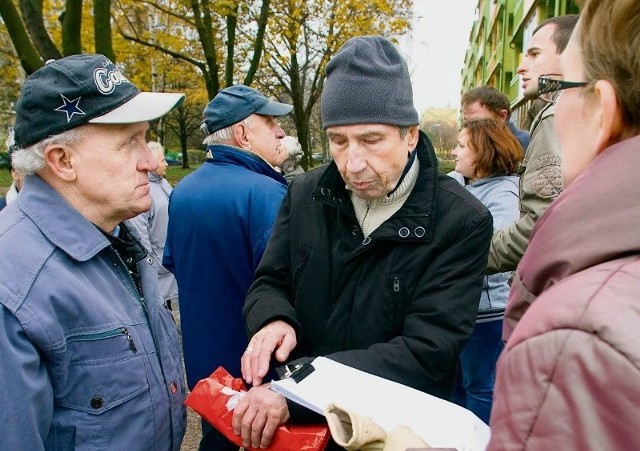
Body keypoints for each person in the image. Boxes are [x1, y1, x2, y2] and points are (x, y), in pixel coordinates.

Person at [232, 35, 493, 450]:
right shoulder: (305, 194)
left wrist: (299, 390)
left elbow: (427, 351)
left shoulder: (462, 221)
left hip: (391, 433)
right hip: (301, 434)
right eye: (338, 141)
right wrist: (272, 319)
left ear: (410, 135)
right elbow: (269, 281)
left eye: (371, 140)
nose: (352, 163)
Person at [0, 54, 186, 449]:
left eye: (145, 138)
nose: (152, 162)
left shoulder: (118, 236)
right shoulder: (13, 285)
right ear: (63, 161)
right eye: (130, 143)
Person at [489, 1, 640, 447]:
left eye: (561, 86)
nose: (523, 67)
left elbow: (535, 220)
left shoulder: (576, 339)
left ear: (601, 110)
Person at [163, 84, 292, 450]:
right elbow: (287, 285)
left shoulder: (183, 190)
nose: (280, 131)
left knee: (216, 437)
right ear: (243, 134)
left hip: (207, 362)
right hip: (257, 366)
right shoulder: (267, 193)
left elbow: (174, 262)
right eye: (270, 123)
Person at [486, 15, 578, 276]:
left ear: (570, 56)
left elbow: (544, 223)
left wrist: (471, 254)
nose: (521, 67)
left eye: (534, 54)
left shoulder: (556, 117)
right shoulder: (557, 111)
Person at [448, 118, 523, 424]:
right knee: (457, 384)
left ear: (482, 153)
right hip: (460, 307)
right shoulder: (463, 184)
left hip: (486, 312)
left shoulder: (503, 195)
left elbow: (494, 247)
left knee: (480, 386)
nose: (454, 152)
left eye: (462, 146)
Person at [127, 141, 178, 311]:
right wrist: (151, 266)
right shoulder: (144, 189)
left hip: (168, 263)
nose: (166, 164)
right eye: (162, 160)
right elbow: (140, 234)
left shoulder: (162, 183)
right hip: (159, 268)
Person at [461, 85, 530, 150]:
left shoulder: (526, 144)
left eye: (476, 121)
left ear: (502, 116)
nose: (469, 128)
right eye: (467, 122)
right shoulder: (474, 144)